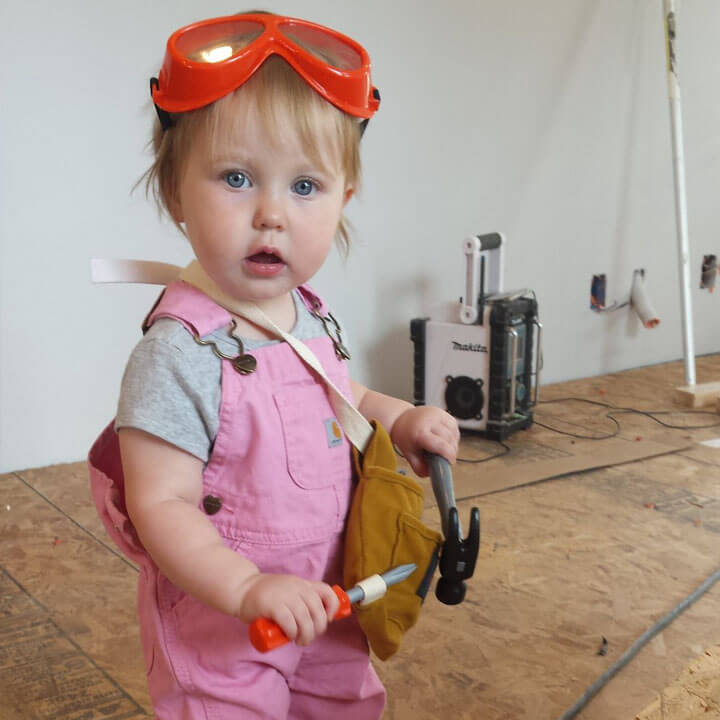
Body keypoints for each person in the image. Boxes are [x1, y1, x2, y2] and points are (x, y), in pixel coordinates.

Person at [89, 11, 459, 719]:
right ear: (174, 192)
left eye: (305, 187)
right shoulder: (176, 352)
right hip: (226, 621)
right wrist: (246, 589)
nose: (271, 214)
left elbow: (334, 394)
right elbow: (160, 503)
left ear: (344, 197)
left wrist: (399, 418)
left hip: (330, 598)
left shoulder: (311, 314)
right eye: (235, 177)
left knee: (346, 708)